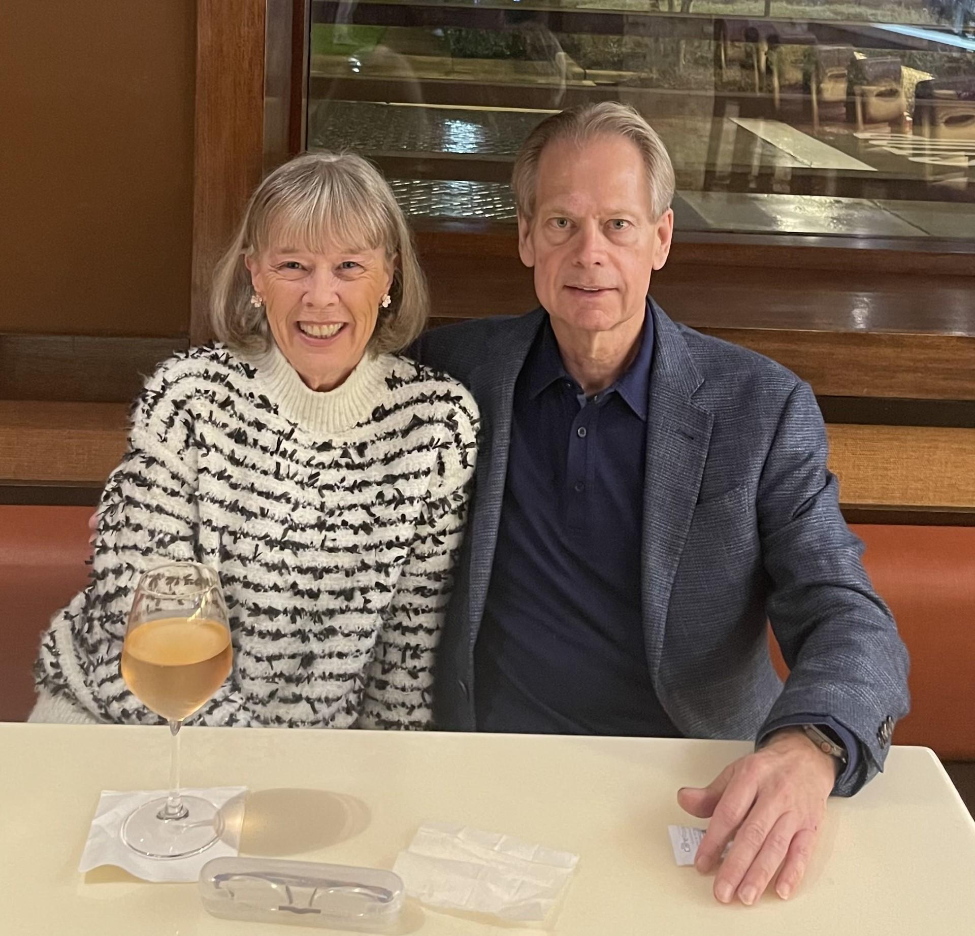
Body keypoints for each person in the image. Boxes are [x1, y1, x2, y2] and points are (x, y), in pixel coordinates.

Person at [410, 103, 910, 905]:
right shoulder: (449, 373)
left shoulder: (759, 407)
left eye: (617, 223)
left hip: (685, 785)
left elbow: (845, 611)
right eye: (563, 222)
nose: (590, 253)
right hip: (485, 770)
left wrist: (809, 744)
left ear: (661, 239)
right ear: (526, 237)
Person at [30, 152, 479, 730]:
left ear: (388, 276)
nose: (320, 296)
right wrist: (257, 772)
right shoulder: (188, 397)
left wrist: (376, 784)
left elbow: (404, 667)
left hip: (311, 756)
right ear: (255, 275)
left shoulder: (436, 425)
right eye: (293, 265)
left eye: (348, 266)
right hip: (119, 716)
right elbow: (134, 628)